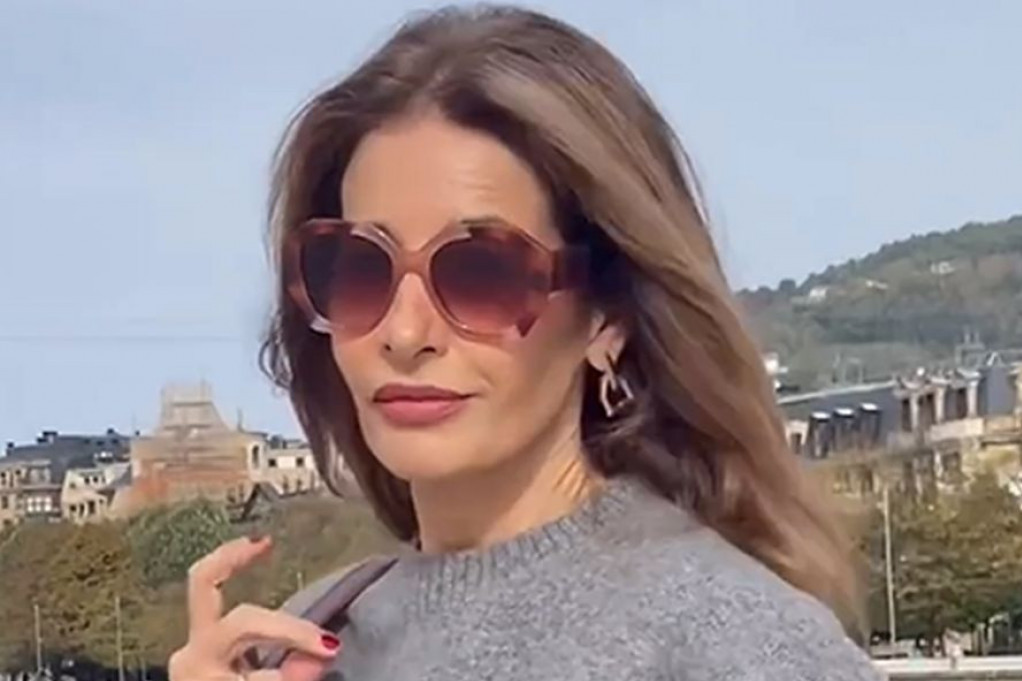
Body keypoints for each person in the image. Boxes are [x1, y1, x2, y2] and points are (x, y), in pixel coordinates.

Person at [169, 5, 882, 681]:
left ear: (607, 315)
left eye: (481, 273)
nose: (405, 333)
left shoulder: (733, 639)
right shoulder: (310, 638)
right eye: (359, 269)